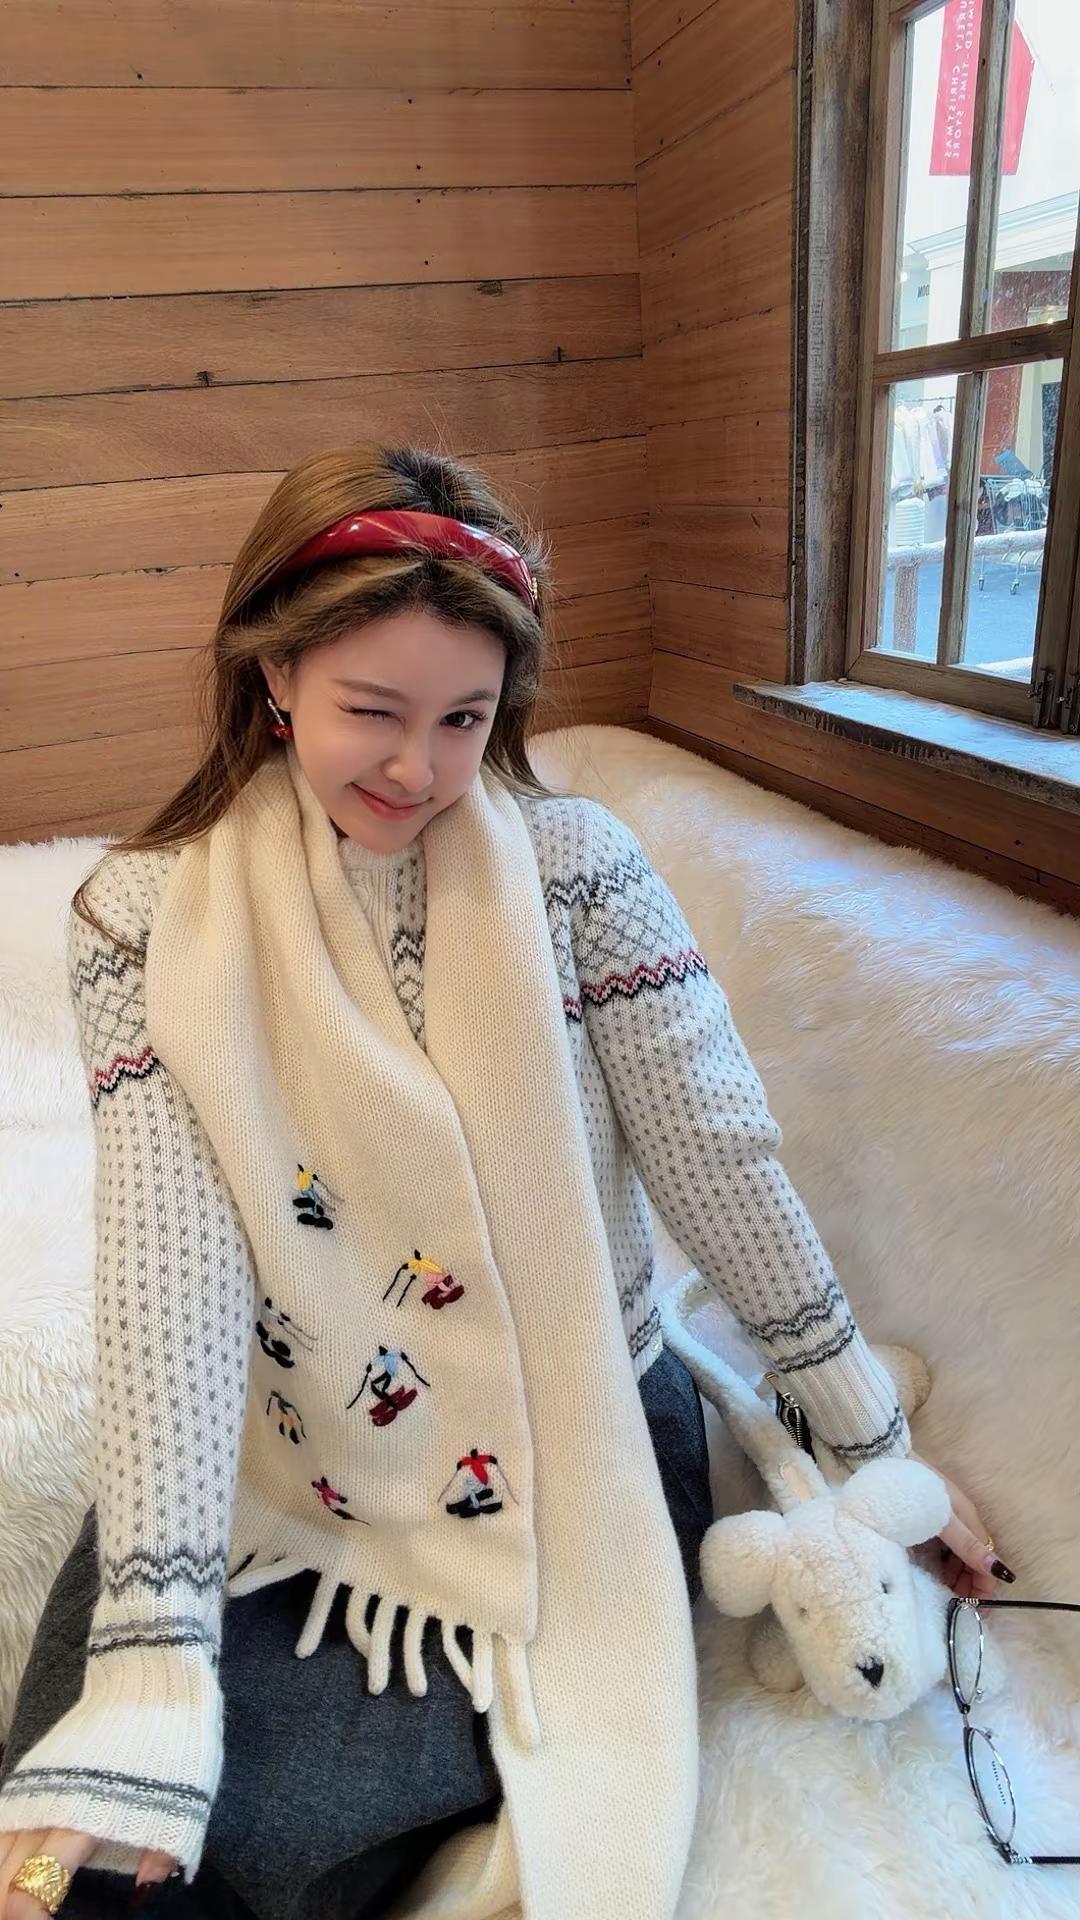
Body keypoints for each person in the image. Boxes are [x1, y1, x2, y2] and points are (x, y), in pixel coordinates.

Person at [0, 445, 1009, 1920]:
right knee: (79, 1835)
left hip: (566, 1421)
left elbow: (720, 1162)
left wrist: (868, 1440)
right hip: (288, 1436)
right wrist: (153, 1638)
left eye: (464, 719)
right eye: (372, 711)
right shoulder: (138, 918)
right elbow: (173, 1266)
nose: (417, 769)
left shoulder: (581, 872)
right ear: (273, 675)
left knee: (262, 1847)